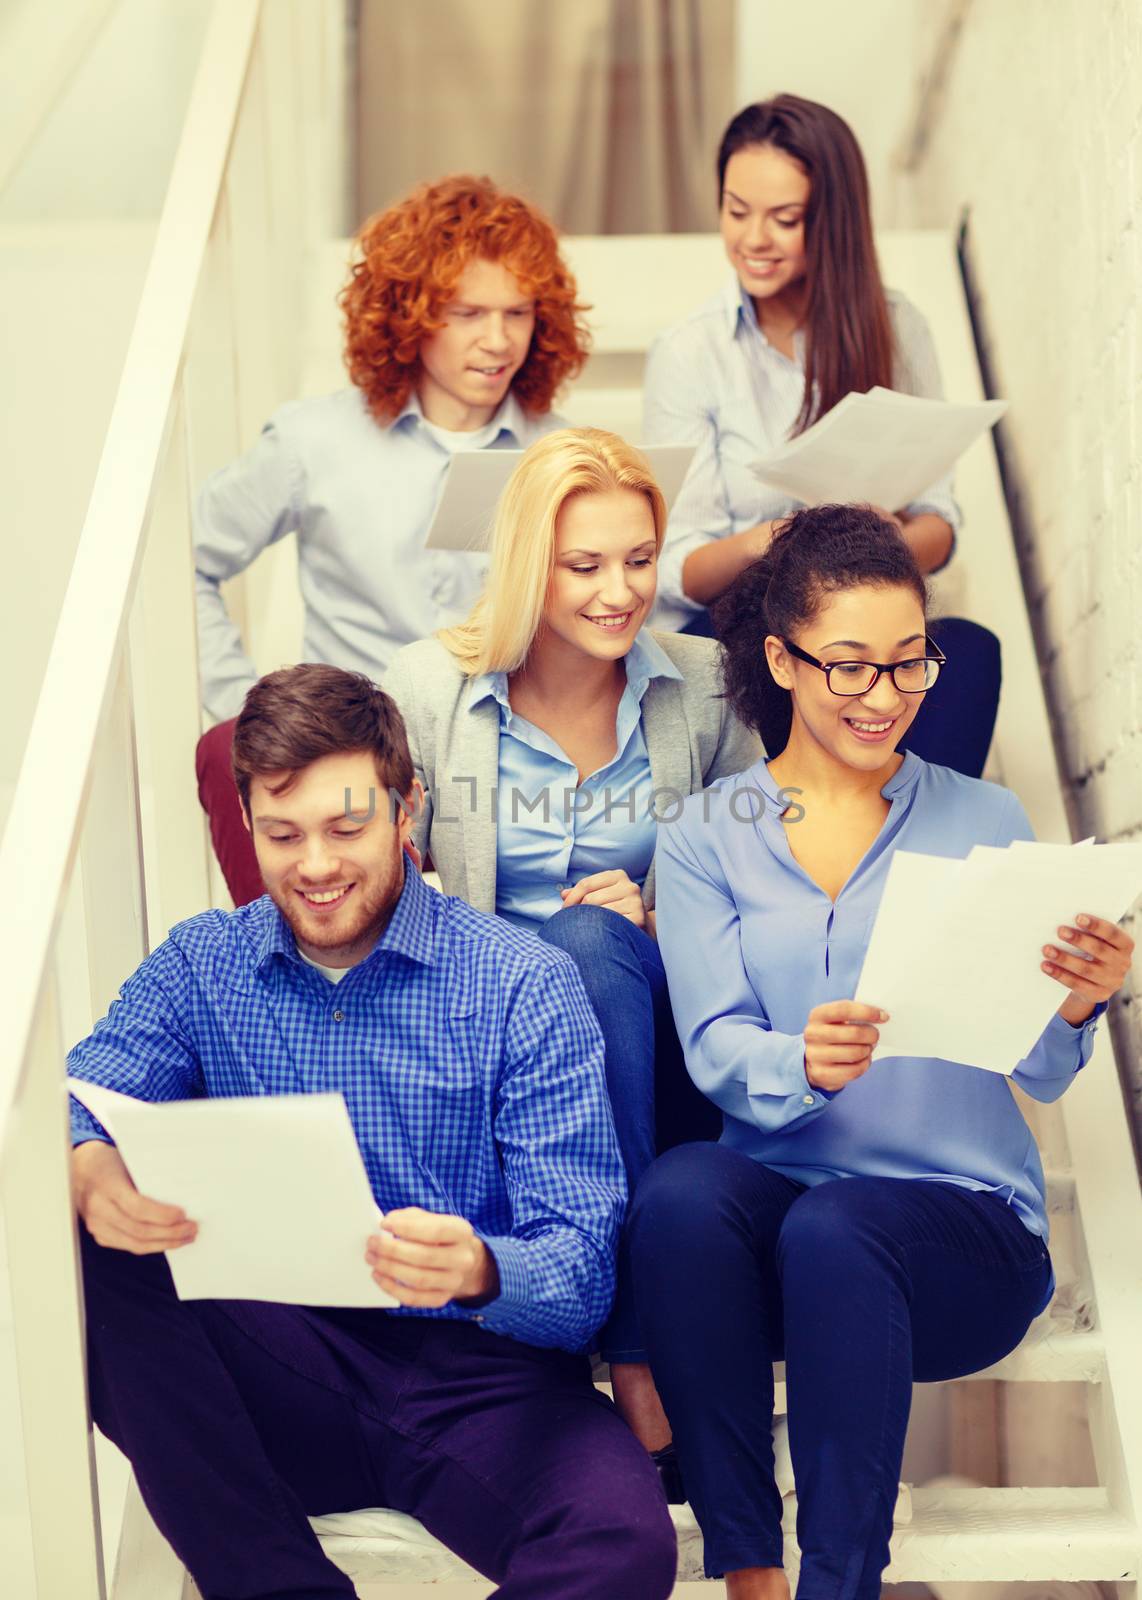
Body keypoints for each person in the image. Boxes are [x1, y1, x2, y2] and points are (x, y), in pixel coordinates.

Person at [69, 664, 677, 1600]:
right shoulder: (200, 964)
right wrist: (90, 1161)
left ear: (408, 810)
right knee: (86, 1226)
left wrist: (481, 1268)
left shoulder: (523, 985)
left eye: (347, 827)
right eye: (282, 834)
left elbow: (584, 1272)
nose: (314, 866)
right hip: (286, 1365)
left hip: (487, 1384)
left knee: (624, 1544)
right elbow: (84, 1096)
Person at [627, 504, 1134, 1597]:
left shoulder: (984, 813)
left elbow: (1036, 1067)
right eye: (848, 666)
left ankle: (839, 1585)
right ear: (780, 658)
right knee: (678, 1194)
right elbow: (713, 1048)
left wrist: (1076, 1008)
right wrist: (798, 1063)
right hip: (783, 1236)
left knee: (840, 1224)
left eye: (908, 665)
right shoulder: (706, 831)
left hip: (960, 1239)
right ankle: (752, 1570)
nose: (883, 696)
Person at [382, 426, 759, 1466]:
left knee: (590, 943)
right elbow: (383, 875)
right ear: (523, 562)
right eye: (583, 564)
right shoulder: (424, 689)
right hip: (488, 1025)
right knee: (558, 956)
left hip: (651, 1005)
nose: (619, 591)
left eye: (639, 559)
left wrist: (654, 906)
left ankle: (631, 1343)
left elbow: (763, 868)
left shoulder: (707, 683)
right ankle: (624, 1343)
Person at [194, 174, 588, 906]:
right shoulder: (313, 440)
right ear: (408, 314)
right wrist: (238, 700)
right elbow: (180, 563)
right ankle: (296, 984)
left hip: (498, 752)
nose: (497, 340)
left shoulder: (564, 455)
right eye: (467, 312)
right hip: (343, 745)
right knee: (232, 748)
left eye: (518, 313)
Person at [642, 93, 1000, 777]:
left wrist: (877, 536)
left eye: (784, 218)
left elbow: (940, 527)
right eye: (736, 210)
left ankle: (898, 861)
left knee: (969, 652)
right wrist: (785, 539)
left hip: (870, 627)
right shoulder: (691, 352)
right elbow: (677, 568)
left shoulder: (896, 328)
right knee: (697, 664)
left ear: (830, 220)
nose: (753, 239)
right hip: (751, 631)